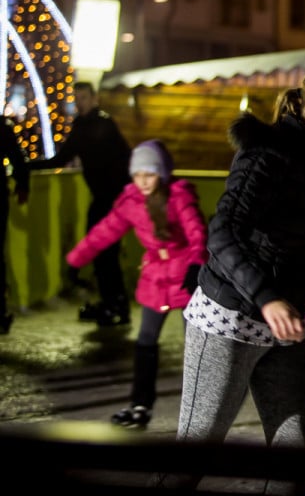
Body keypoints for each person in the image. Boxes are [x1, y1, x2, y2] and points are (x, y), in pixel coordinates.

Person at [150, 64, 305, 493]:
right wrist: (267, 299)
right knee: (195, 455)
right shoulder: (267, 153)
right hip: (229, 318)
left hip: (284, 329)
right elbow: (222, 233)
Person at [65, 140, 207, 428]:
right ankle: (140, 404)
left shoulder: (179, 197)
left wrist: (195, 266)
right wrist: (75, 260)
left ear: (162, 174)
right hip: (156, 277)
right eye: (137, 174)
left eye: (149, 174)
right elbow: (104, 232)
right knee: (145, 342)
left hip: (186, 278)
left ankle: (202, 411)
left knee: (196, 349)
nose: (142, 181)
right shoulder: (131, 202)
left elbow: (198, 235)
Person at [29, 81, 132, 327]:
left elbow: (123, 158)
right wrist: (29, 166)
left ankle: (113, 305)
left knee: (105, 254)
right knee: (105, 255)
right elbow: (62, 158)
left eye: (83, 97)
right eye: (77, 98)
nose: (79, 102)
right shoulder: (87, 125)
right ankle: (115, 304)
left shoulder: (100, 125)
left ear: (94, 98)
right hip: (108, 199)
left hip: (111, 200)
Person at [0, 116, 29, 335]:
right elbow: (17, 159)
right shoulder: (2, 126)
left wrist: (22, 184)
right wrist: (22, 185)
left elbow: (17, 160)